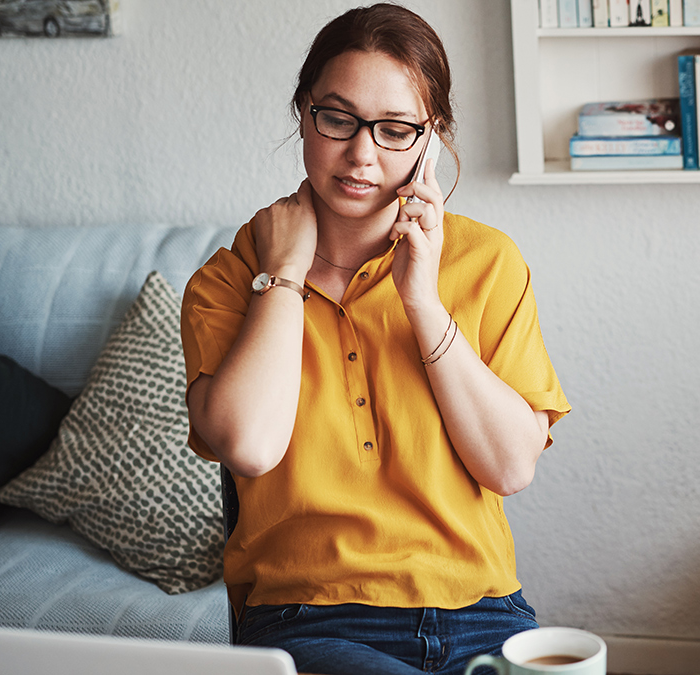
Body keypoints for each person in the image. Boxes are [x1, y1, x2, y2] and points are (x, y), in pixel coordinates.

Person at [180, 4, 570, 674]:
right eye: (337, 118)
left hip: (486, 612)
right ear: (303, 113)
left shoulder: (489, 261)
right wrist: (286, 275)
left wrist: (421, 299)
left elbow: (510, 467)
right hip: (309, 619)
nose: (362, 154)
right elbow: (247, 445)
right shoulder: (230, 279)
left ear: (430, 136)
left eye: (394, 130)